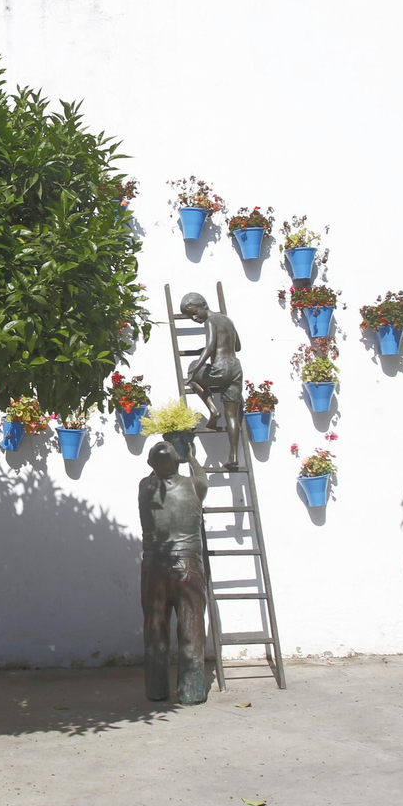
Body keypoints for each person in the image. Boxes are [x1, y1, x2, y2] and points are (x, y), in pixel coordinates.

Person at [138, 440, 209, 704]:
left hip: (153, 566)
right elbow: (202, 476)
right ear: (177, 461)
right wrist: (192, 458)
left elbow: (153, 470)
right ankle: (191, 691)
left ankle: (156, 689)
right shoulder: (194, 486)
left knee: (154, 628)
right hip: (187, 566)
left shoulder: (143, 487)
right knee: (191, 628)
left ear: (150, 464)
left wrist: (158, 462)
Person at [182, 291, 243, 469]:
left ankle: (213, 410)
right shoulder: (227, 320)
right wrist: (223, 344)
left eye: (194, 313)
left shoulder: (210, 321)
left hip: (220, 369)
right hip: (235, 369)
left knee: (192, 373)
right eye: (190, 316)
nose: (194, 318)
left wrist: (194, 371)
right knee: (232, 416)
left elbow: (209, 348)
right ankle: (233, 456)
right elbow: (238, 346)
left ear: (203, 305)